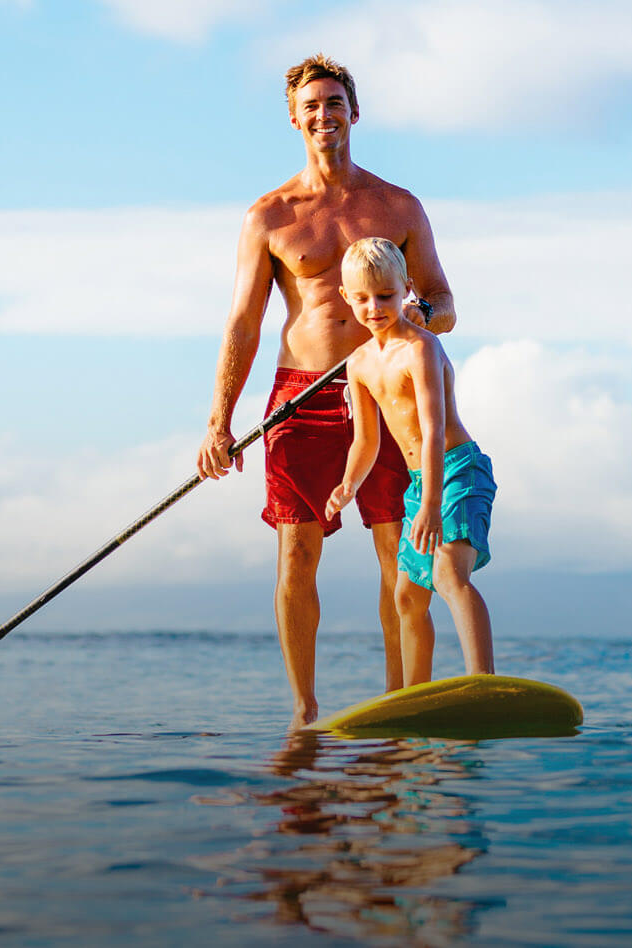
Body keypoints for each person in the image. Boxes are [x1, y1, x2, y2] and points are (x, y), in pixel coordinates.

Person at [196, 56, 457, 728]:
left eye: (334, 102)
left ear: (354, 112)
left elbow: (444, 301)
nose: (324, 115)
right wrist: (218, 422)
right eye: (311, 105)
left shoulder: (398, 206)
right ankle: (305, 712)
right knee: (297, 550)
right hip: (299, 396)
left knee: (398, 545)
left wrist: (413, 319)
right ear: (294, 118)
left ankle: (402, 701)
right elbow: (243, 323)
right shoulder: (270, 216)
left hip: (385, 387)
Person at [326, 237, 496, 686]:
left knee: (446, 574)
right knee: (405, 596)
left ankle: (482, 682)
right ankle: (415, 696)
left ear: (407, 289)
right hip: (421, 483)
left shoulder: (420, 348)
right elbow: (366, 440)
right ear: (345, 297)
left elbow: (434, 428)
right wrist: (347, 485)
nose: (374, 307)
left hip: (457, 471)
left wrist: (430, 504)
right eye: (362, 298)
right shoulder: (359, 363)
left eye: (385, 295)